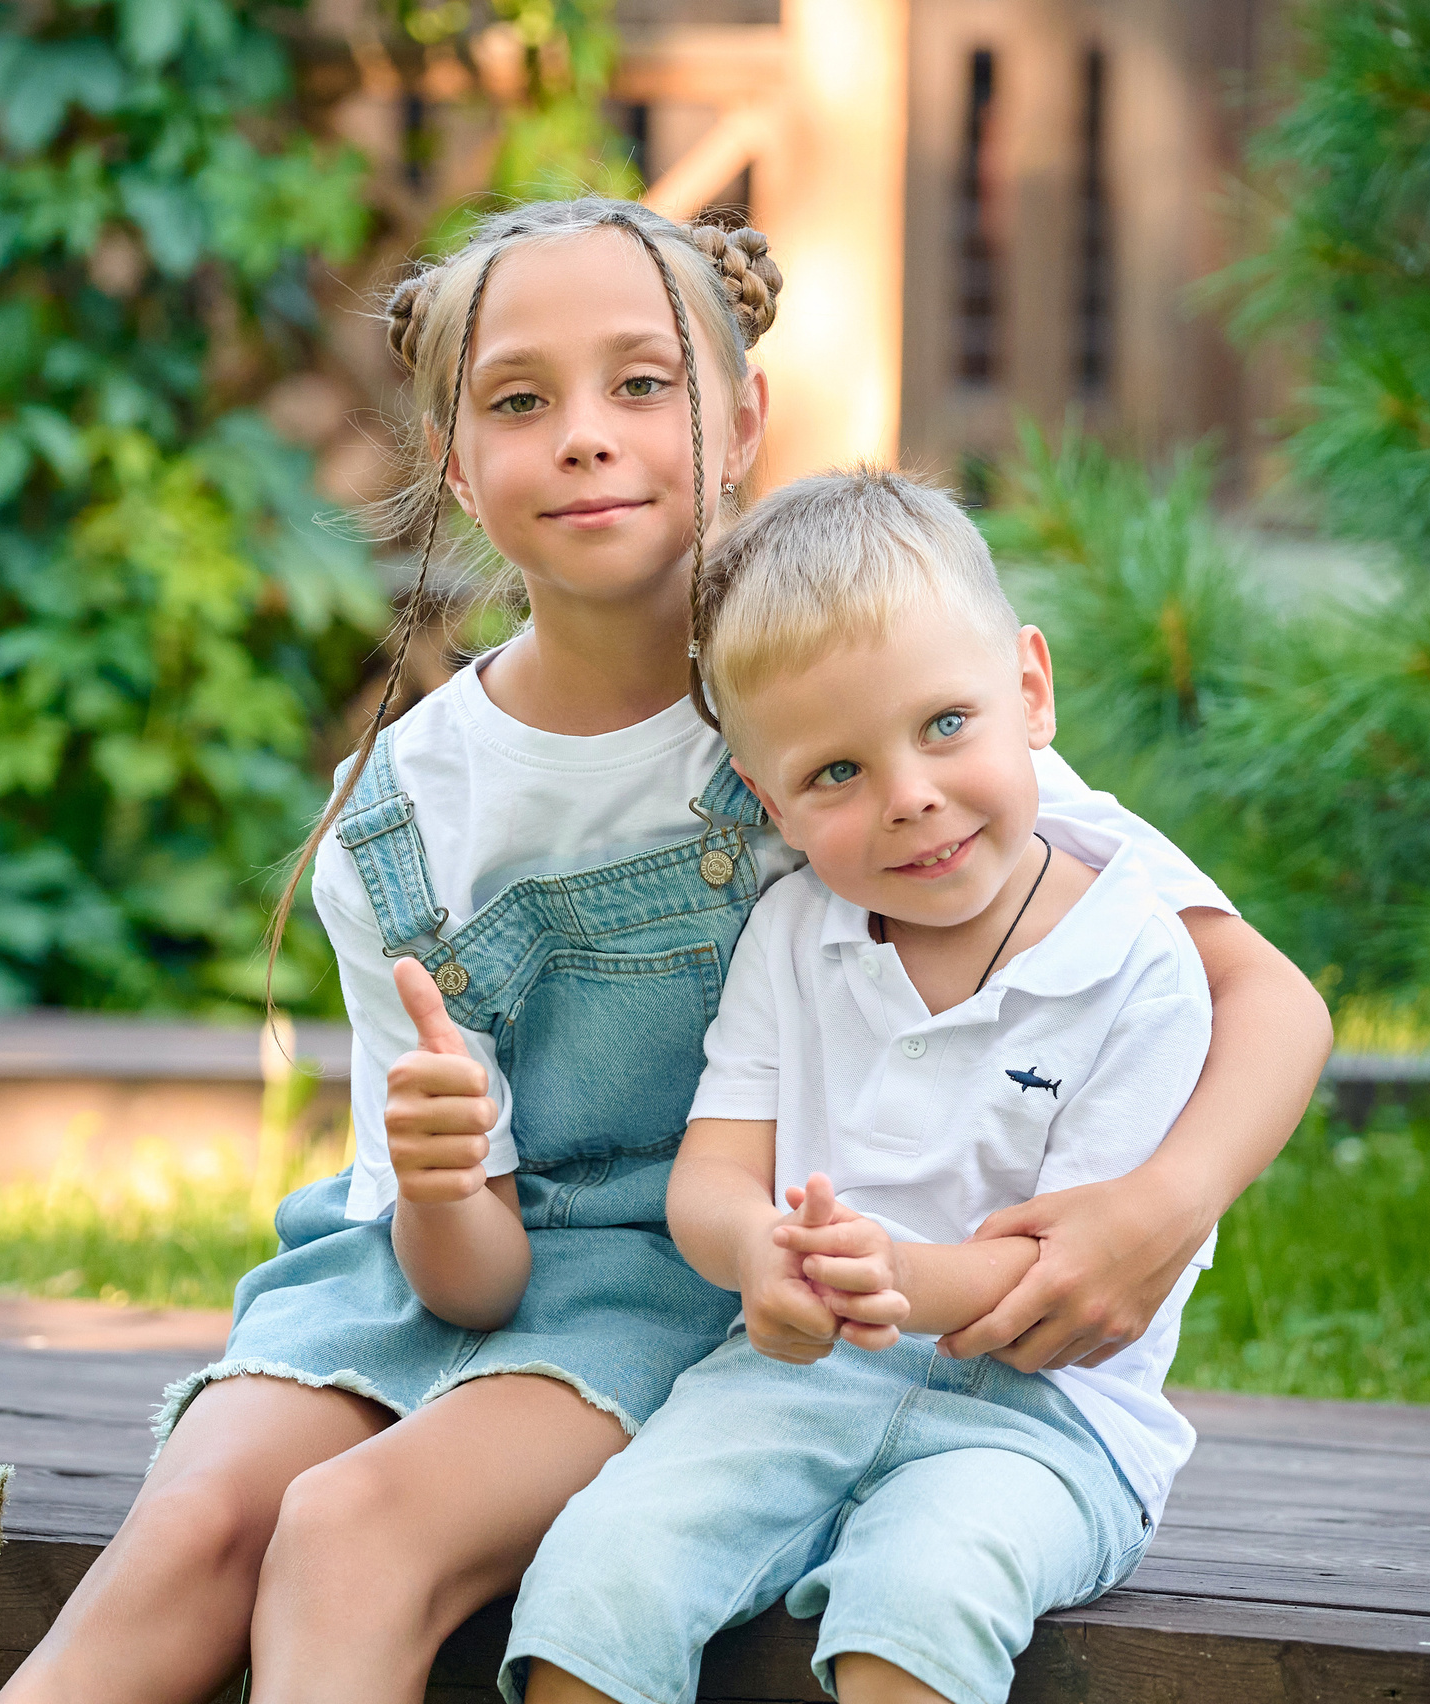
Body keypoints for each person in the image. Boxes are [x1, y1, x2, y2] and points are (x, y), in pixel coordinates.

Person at [0, 197, 1330, 1704]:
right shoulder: (404, 814)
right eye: (519, 401)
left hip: (692, 1272)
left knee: (349, 1528)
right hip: (431, 1267)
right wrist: (439, 1176)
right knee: (194, 1529)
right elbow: (468, 1275)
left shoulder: (856, 708)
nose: (585, 437)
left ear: (742, 420)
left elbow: (1262, 994)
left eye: (642, 384)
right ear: (452, 460)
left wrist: (1160, 1207)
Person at [512, 469, 1219, 1704]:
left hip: (1041, 1427)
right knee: (593, 1582)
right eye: (835, 773)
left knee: (917, 1602)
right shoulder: (796, 935)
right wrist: (758, 1255)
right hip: (789, 1384)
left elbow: (1061, 1272)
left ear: (1030, 691)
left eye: (944, 724)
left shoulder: (1140, 964)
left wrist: (888, 1277)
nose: (909, 798)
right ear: (768, 798)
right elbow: (714, 1177)